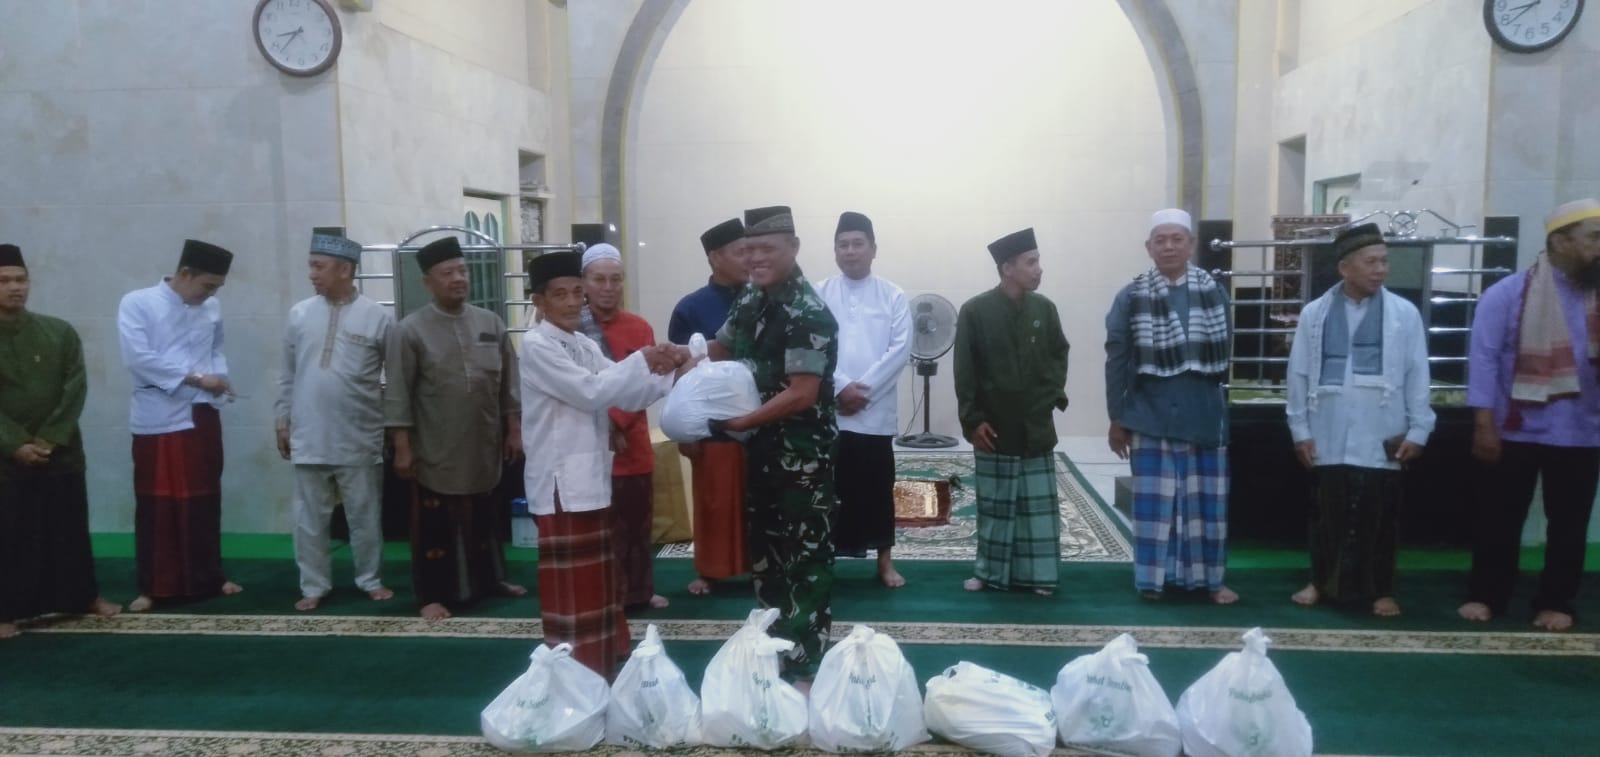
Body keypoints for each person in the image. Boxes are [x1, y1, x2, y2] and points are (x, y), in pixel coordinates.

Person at [520, 250, 685, 678]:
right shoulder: (537, 344)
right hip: (559, 482)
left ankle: (603, 659)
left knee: (599, 580)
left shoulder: (583, 344)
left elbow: (626, 394)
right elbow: (591, 392)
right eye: (560, 294)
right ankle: (573, 670)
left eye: (577, 293)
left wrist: (668, 371)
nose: (572, 302)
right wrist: (643, 359)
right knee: (573, 587)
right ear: (539, 301)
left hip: (591, 476)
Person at [707, 205, 839, 684]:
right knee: (765, 558)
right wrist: (678, 360)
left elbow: (802, 393)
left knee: (806, 561)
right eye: (748, 250)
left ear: (794, 247)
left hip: (802, 457)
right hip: (758, 453)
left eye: (767, 248)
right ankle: (769, 652)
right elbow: (719, 349)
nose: (755, 258)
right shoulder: (750, 297)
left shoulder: (808, 311)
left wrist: (743, 420)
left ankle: (806, 665)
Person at [1460, 198, 1600, 632]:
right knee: (1500, 517)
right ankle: (1487, 595)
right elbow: (1483, 360)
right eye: (1594, 238)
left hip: (1583, 430)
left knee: (1570, 523)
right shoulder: (1508, 294)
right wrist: (1484, 424)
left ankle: (1555, 601)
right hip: (1514, 428)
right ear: (1560, 241)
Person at [1285, 223, 1434, 616]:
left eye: (1384, 261)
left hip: (1383, 428)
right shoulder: (1315, 314)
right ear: (1344, 268)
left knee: (1380, 515)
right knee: (1326, 513)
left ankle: (1380, 590)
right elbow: (1298, 374)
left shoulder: (1403, 314)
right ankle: (1320, 581)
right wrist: (1300, 430)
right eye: (1371, 262)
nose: (1381, 270)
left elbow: (1418, 374)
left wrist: (1420, 429)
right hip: (1328, 428)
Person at [384, 236, 525, 620]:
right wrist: (402, 446)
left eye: (462, 271)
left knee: (485, 517)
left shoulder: (490, 322)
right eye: (447, 273)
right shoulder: (409, 330)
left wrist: (514, 430)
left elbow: (509, 383)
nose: (459, 279)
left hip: (484, 442)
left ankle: (492, 580)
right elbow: (397, 393)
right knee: (435, 524)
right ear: (428, 282)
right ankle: (432, 595)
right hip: (435, 446)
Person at [1104, 209, 1237, 604]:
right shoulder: (1131, 296)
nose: (1168, 247)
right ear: (1148, 247)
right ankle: (1153, 580)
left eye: (1177, 239)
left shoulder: (1214, 292)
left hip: (1203, 414)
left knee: (1205, 507)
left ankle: (1210, 581)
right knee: (1154, 509)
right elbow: (1117, 360)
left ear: (1190, 245)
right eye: (1160, 240)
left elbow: (1222, 357)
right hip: (1150, 414)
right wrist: (1116, 418)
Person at [0, 244, 120, 638]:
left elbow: (75, 388)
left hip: (60, 453)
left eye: (21, 279)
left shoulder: (58, 332)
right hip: (7, 459)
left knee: (68, 530)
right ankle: (6, 612)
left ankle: (83, 597)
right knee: (11, 534)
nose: (15, 288)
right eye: (4, 281)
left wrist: (50, 439)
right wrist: (15, 444)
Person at [117, 239, 242, 613]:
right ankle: (154, 587)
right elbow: (138, 358)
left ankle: (209, 577)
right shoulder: (137, 303)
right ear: (184, 274)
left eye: (217, 288)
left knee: (204, 497)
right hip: (158, 417)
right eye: (207, 286)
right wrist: (197, 378)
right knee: (159, 502)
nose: (211, 294)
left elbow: (216, 350)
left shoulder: (211, 307)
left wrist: (220, 379)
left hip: (202, 414)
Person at [275, 231, 394, 612]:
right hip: (308, 431)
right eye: (311, 266)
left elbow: (394, 378)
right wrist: (282, 419)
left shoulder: (377, 317)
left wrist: (393, 430)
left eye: (318, 266)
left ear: (344, 269)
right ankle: (314, 585)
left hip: (359, 433)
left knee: (365, 515)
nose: (312, 274)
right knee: (308, 518)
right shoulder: (299, 314)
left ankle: (370, 579)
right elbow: (287, 374)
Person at [953, 227, 1069, 596]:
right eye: (1030, 262)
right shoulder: (975, 311)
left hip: (1035, 424)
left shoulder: (1044, 309)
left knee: (1036, 509)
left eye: (1038, 261)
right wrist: (973, 421)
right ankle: (989, 573)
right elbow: (965, 370)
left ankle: (1040, 576)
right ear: (1007, 268)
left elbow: (1059, 355)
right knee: (996, 506)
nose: (1038, 269)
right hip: (994, 426)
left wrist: (1049, 396)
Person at [817, 211, 912, 588]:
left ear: (874, 249)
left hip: (874, 412)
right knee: (828, 491)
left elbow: (899, 350)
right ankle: (824, 560)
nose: (850, 251)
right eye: (843, 245)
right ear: (835, 251)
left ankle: (884, 562)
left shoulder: (893, 295)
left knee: (877, 490)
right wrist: (840, 386)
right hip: (831, 410)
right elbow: (814, 345)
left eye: (858, 244)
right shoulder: (819, 293)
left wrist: (861, 391)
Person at [577, 243, 669, 610]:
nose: (608, 287)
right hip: (589, 444)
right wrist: (605, 425)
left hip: (632, 446)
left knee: (636, 525)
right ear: (584, 282)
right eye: (599, 279)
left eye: (615, 279)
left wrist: (617, 422)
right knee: (599, 529)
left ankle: (639, 592)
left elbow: (649, 383)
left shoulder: (639, 327)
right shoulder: (573, 330)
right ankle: (603, 595)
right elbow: (577, 386)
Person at [670, 218, 751, 595]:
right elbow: (681, 373)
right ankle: (710, 570)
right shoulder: (691, 308)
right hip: (713, 425)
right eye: (740, 252)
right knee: (714, 499)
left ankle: (762, 568)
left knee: (760, 499)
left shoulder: (763, 299)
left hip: (761, 417)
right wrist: (685, 431)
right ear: (716, 258)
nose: (749, 259)